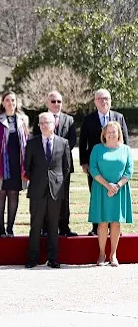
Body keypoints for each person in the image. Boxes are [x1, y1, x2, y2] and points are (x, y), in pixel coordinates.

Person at [79, 88, 129, 236]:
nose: (103, 101)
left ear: (110, 100)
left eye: (106, 98)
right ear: (95, 102)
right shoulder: (89, 119)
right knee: (96, 195)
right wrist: (84, 162)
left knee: (115, 195)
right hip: (95, 166)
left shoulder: (119, 117)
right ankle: (97, 228)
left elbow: (125, 140)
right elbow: (83, 142)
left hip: (116, 167)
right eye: (100, 99)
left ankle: (114, 228)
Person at [25, 113, 71, 269]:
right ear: (38, 125)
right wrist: (39, 179)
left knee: (53, 226)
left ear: (54, 124)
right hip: (37, 190)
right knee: (35, 225)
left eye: (48, 122)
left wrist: (56, 182)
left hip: (55, 191)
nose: (45, 125)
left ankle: (53, 258)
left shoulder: (63, 143)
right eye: (42, 123)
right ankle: (33, 258)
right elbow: (27, 167)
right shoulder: (31, 143)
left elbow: (66, 167)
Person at [0, 91, 29, 237]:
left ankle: (10, 228)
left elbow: (26, 141)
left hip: (17, 163)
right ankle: (1, 229)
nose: (11, 103)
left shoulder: (23, 119)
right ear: (3, 103)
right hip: (1, 162)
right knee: (1, 193)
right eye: (7, 100)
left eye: (13, 100)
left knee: (14, 194)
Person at [32, 91, 77, 237]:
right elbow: (36, 140)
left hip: (63, 166)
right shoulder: (39, 119)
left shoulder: (69, 120)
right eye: (53, 101)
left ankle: (64, 227)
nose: (56, 104)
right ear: (47, 103)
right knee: (45, 197)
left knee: (63, 197)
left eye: (59, 101)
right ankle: (45, 228)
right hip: (44, 167)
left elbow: (72, 141)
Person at [88, 121, 133, 266]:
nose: (111, 134)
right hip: (101, 189)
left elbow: (129, 171)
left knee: (115, 223)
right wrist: (108, 186)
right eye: (109, 132)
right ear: (104, 134)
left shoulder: (126, 149)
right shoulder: (97, 149)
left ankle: (113, 255)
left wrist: (117, 186)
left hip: (119, 190)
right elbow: (93, 169)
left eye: (114, 131)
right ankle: (102, 254)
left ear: (119, 133)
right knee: (102, 223)